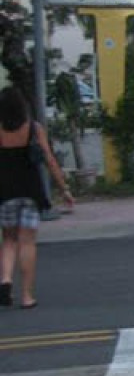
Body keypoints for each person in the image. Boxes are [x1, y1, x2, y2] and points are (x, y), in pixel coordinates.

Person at [0, 87, 73, 309]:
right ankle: (27, 296)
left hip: (4, 192)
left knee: (9, 240)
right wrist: (64, 189)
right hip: (31, 191)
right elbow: (49, 160)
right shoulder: (33, 129)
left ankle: (5, 279)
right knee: (27, 242)